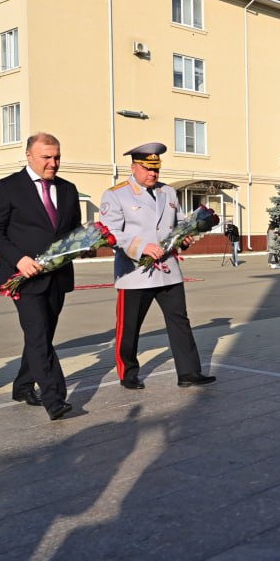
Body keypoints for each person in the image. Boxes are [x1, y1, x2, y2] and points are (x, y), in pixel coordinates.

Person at [101, 142, 215, 390]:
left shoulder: (168, 193)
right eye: (147, 169)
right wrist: (141, 248)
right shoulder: (116, 194)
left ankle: (189, 372)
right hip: (135, 272)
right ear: (133, 167)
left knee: (179, 321)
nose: (153, 174)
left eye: (156, 169)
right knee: (129, 326)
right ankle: (128, 373)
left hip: (168, 270)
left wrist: (185, 237)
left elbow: (179, 223)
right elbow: (109, 233)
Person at [0, 132, 80, 421]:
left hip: (57, 276)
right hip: (23, 277)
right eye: (46, 157)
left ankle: (23, 385)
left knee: (43, 334)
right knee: (38, 335)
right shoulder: (7, 188)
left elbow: (71, 231)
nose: (53, 163)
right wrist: (19, 259)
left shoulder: (68, 189)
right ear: (28, 156)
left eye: (57, 157)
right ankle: (55, 398)